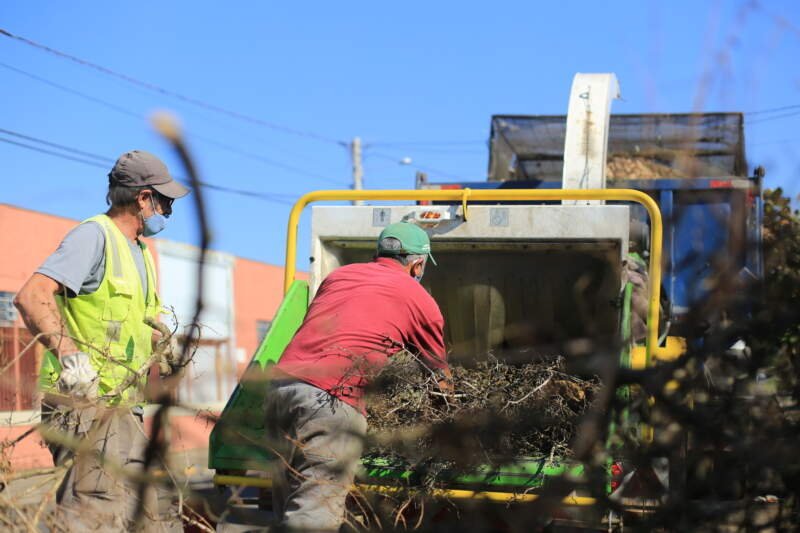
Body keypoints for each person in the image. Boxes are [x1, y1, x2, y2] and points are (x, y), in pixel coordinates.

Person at [14, 150, 189, 531]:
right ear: (144, 198)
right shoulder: (94, 236)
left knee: (154, 510)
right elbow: (32, 296)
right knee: (97, 513)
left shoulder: (141, 252)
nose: (167, 213)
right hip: (86, 403)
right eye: (166, 203)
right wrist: (71, 358)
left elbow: (138, 318)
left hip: (123, 405)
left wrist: (162, 343)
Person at [265, 221, 451, 532]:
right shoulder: (419, 299)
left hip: (281, 390)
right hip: (331, 400)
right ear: (417, 264)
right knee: (312, 516)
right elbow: (439, 378)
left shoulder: (338, 276)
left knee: (288, 507)